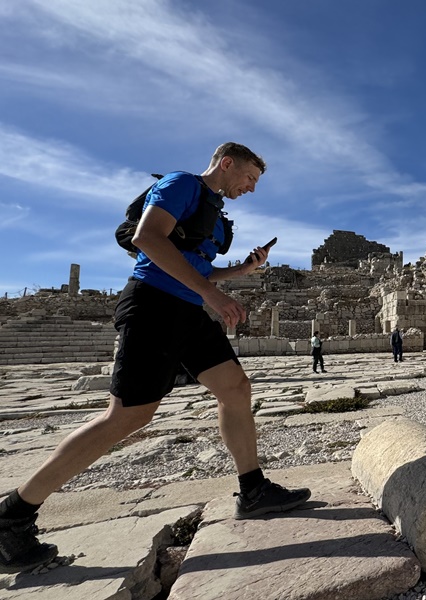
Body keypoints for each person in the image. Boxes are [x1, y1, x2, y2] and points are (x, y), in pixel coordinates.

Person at [0, 143, 311, 574]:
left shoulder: (217, 218)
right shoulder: (182, 184)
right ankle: (13, 515)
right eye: (250, 179)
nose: (251, 189)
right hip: (153, 305)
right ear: (227, 163)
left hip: (187, 310)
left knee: (236, 388)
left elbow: (199, 267)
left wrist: (238, 272)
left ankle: (253, 489)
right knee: (127, 417)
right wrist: (211, 293)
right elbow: (148, 239)